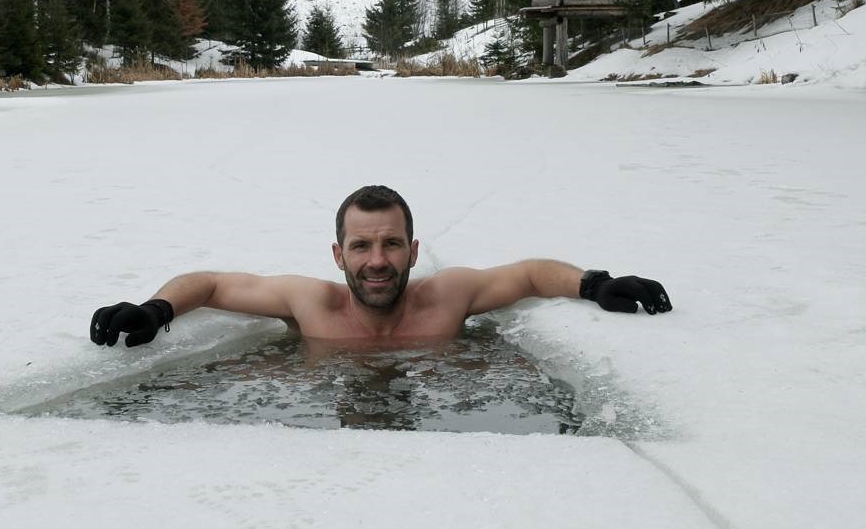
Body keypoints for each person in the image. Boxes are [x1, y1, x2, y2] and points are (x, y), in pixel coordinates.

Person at [90, 184, 672, 349]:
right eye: (362, 247)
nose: (377, 262)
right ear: (338, 254)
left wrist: (595, 284)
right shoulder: (309, 304)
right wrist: (155, 309)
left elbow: (527, 275)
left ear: (413, 252)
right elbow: (213, 283)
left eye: (392, 245)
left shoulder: (447, 297)